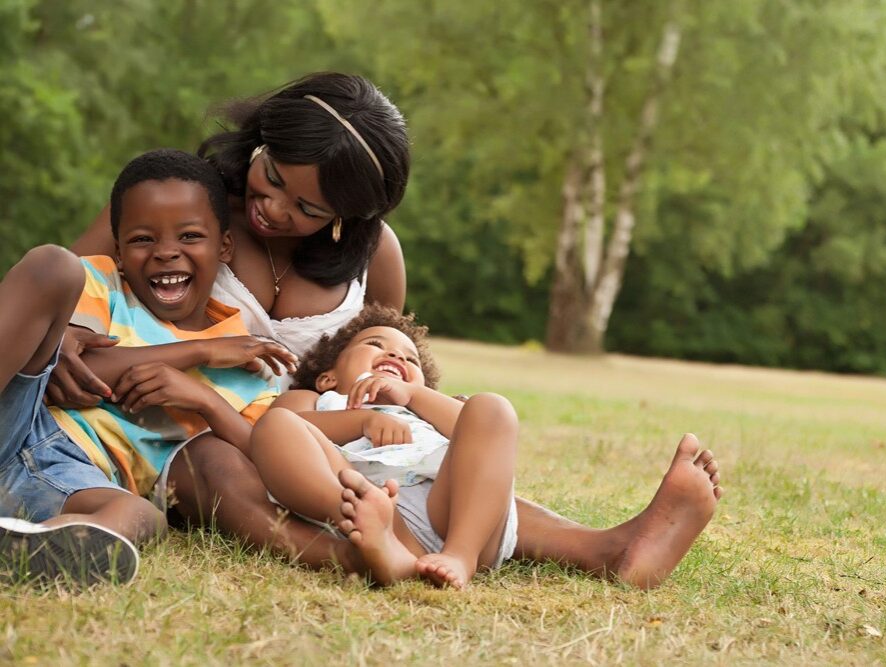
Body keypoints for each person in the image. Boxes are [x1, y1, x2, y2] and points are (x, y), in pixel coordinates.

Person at [55, 72, 723, 589]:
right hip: (185, 436)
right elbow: (75, 284)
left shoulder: (376, 259)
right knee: (217, 461)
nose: (270, 207)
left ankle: (611, 549)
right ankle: (357, 554)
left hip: (322, 443)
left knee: (423, 466)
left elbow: (391, 366)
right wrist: (65, 343)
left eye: (306, 206)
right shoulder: (186, 203)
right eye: (270, 174)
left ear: (347, 217)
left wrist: (400, 419)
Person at [0, 149, 295, 586]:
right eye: (142, 240)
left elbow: (265, 456)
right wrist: (198, 353)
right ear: (118, 250)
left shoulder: (249, 371)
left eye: (190, 236)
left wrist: (207, 401)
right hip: (22, 417)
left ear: (225, 246)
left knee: (142, 517)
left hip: (76, 477)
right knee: (53, 264)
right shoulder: (104, 284)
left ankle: (32, 547)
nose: (166, 253)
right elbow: (82, 369)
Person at [250, 305, 518, 589]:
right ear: (329, 377)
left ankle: (460, 556)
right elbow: (293, 424)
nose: (396, 355)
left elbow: (485, 433)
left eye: (411, 359)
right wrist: (363, 419)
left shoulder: (425, 407)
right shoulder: (320, 399)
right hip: (371, 508)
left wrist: (414, 395)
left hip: (455, 514)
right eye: (375, 344)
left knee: (492, 406)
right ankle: (389, 546)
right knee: (276, 423)